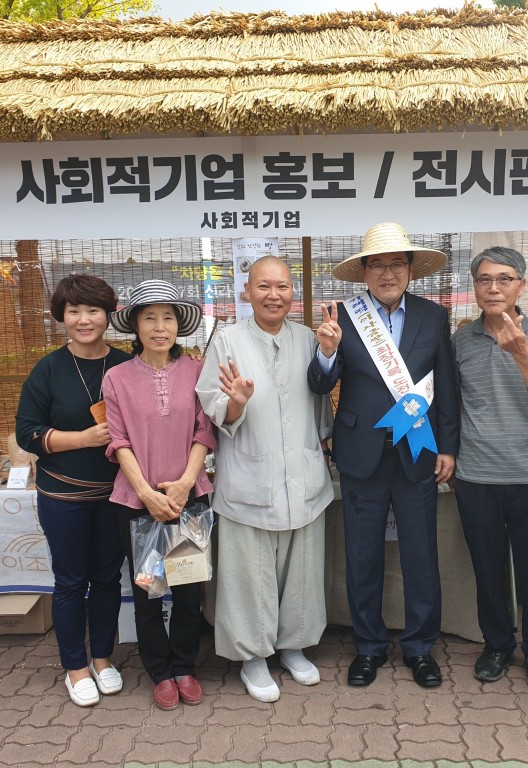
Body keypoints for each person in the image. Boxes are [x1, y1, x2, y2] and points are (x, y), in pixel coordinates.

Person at [307, 221, 459, 689]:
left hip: (418, 451)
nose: (387, 273)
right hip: (361, 453)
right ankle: (369, 647)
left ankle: (419, 648)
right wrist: (327, 353)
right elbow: (319, 385)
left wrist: (449, 446)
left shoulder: (433, 317)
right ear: (364, 271)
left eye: (397, 263)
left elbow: (448, 386)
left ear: (411, 269)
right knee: (363, 556)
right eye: (378, 264)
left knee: (420, 555)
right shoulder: (343, 317)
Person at [196, 256, 334, 703]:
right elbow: (215, 411)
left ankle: (293, 646)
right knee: (248, 575)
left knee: (303, 571)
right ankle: (252, 658)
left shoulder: (310, 339)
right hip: (249, 479)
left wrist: (329, 355)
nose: (274, 295)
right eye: (263, 286)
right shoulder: (228, 340)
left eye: (283, 286)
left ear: (293, 292)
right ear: (247, 291)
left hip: (305, 477)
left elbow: (321, 407)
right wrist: (235, 403)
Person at [15, 274, 132, 707]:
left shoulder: (125, 364)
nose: (84, 320)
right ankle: (75, 667)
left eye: (93, 310)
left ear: (108, 315)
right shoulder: (48, 369)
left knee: (106, 579)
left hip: (118, 492)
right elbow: (27, 434)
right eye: (74, 311)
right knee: (69, 581)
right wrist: (81, 438)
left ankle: (102, 659)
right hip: (62, 495)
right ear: (61, 317)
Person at [451, 246, 528, 691]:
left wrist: (521, 352)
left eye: (503, 279)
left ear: (521, 285)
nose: (493, 287)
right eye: (484, 280)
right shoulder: (460, 340)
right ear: (474, 287)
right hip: (476, 474)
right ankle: (496, 644)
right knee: (488, 567)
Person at [102, 279, 216, 711]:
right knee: (149, 592)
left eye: (168, 317)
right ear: (135, 325)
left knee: (188, 588)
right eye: (149, 317)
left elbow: (204, 430)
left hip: (190, 496)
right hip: (138, 502)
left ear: (178, 325)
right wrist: (147, 492)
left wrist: (186, 483)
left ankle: (185, 665)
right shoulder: (117, 377)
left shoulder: (198, 370)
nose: (159, 326)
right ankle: (160, 671)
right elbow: (119, 440)